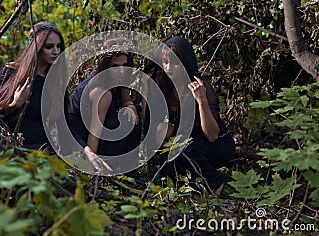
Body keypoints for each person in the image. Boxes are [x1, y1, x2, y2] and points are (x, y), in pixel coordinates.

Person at [144, 36, 235, 196]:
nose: (169, 67)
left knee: (182, 147)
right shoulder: (165, 88)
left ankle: (215, 185)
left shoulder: (200, 86)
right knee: (167, 153)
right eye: (165, 62)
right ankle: (190, 189)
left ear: (185, 63)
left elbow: (212, 135)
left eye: (175, 63)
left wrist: (201, 100)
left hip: (215, 145)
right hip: (189, 143)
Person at [67, 39, 141, 173]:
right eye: (115, 66)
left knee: (132, 117)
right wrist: (90, 165)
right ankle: (110, 166)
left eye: (125, 65)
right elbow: (94, 133)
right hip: (78, 136)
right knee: (119, 122)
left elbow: (126, 100)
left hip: (97, 125)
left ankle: (128, 168)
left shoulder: (121, 78)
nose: (121, 71)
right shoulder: (102, 93)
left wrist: (131, 107)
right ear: (106, 66)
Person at [0, 21, 67, 151]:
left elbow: (65, 125)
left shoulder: (55, 81)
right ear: (36, 47)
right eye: (49, 47)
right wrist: (14, 105)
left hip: (42, 149)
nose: (56, 51)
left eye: (59, 46)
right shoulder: (11, 73)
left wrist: (85, 150)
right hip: (10, 146)